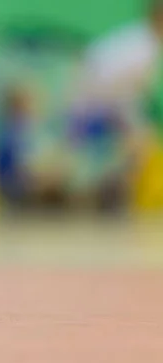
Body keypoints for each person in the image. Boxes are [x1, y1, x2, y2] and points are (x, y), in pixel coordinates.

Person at [68, 0, 163, 211]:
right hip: (96, 103)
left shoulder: (141, 41)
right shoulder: (143, 46)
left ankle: (116, 192)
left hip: (101, 102)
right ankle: (114, 195)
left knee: (139, 143)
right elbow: (109, 82)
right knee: (139, 143)